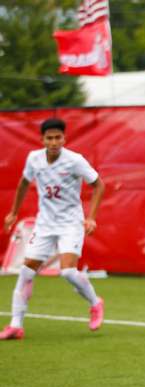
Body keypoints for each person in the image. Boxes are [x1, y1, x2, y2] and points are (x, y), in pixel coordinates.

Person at [1, 117, 106, 340]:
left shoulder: (75, 160)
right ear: (43, 140)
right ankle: (16, 325)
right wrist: (13, 212)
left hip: (70, 223)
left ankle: (96, 303)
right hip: (44, 224)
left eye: (58, 137)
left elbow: (98, 185)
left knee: (67, 271)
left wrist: (92, 218)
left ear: (64, 138)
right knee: (26, 271)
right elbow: (22, 184)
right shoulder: (34, 159)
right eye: (49, 138)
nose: (54, 142)